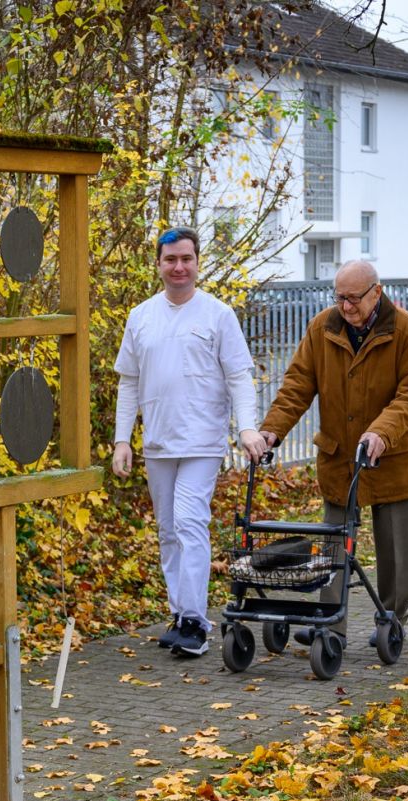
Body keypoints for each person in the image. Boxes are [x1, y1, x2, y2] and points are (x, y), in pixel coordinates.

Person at [112, 227, 268, 657]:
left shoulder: (217, 315)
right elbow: (129, 382)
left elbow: (239, 376)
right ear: (159, 264)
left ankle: (197, 623)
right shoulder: (142, 317)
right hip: (158, 444)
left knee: (188, 523)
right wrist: (122, 440)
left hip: (202, 441)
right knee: (167, 531)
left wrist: (247, 428)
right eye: (170, 260)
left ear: (198, 262)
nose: (179, 267)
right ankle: (180, 613)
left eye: (186, 259)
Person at [257, 259, 408, 642]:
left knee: (395, 549)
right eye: (340, 298)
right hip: (339, 456)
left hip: (391, 455)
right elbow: (297, 386)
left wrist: (381, 432)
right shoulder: (323, 327)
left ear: (377, 292)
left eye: (354, 298)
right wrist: (271, 431)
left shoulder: (407, 331)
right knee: (334, 541)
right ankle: (329, 622)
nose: (346, 307)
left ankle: (392, 619)